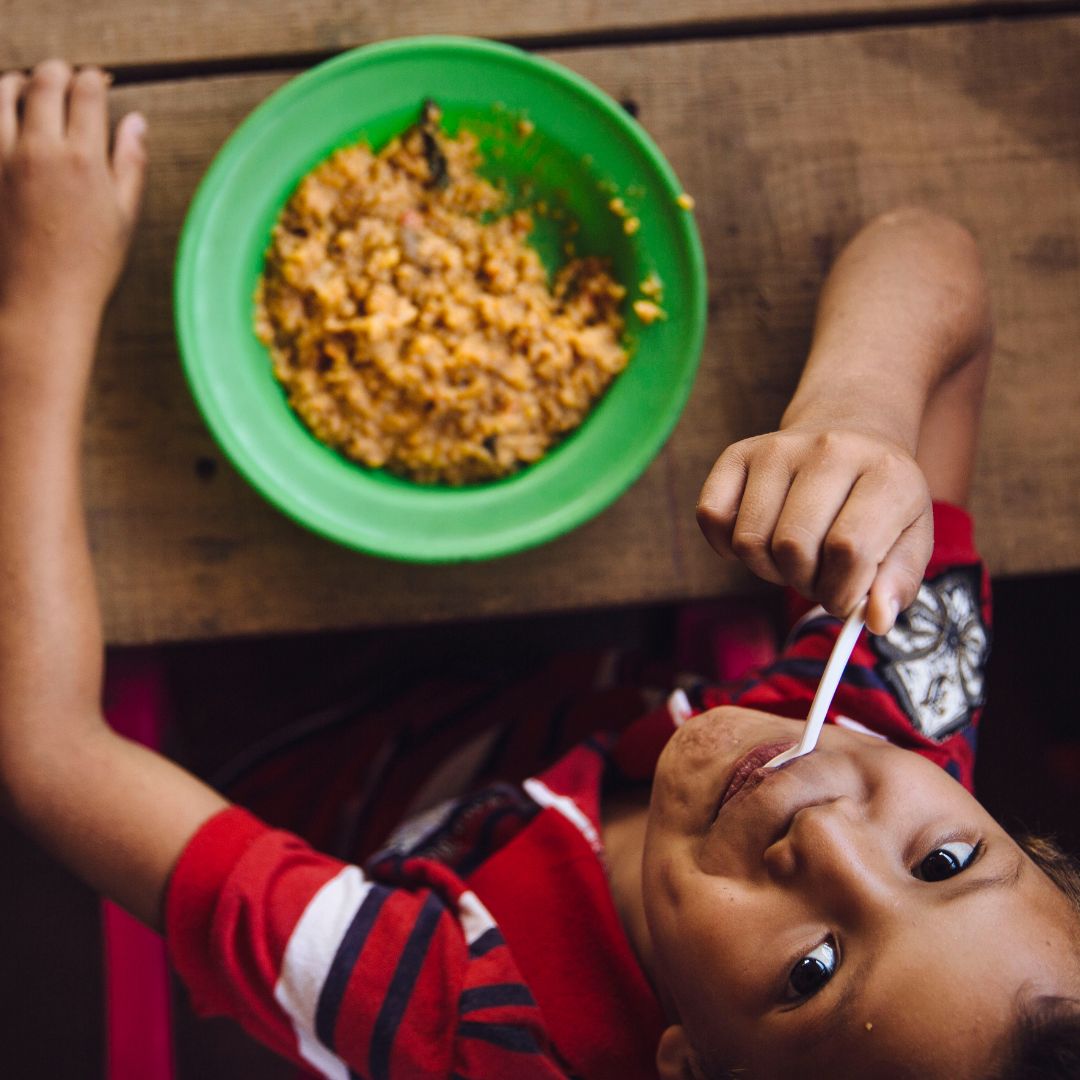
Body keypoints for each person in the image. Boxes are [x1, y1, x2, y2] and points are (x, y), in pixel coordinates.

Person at [0, 60, 1078, 1080]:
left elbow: (50, 748)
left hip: (316, 763)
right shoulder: (897, 724)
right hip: (557, 691)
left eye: (813, 971)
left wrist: (41, 305)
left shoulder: (458, 1015)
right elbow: (935, 256)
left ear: (692, 1063)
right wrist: (859, 412)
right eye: (946, 865)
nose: (827, 831)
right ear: (1026, 845)